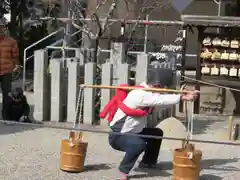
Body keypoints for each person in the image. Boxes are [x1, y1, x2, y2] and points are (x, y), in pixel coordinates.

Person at [101, 67, 198, 180]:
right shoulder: (140, 94)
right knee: (139, 144)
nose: (164, 89)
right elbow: (159, 100)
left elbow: (161, 99)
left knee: (156, 133)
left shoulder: (148, 93)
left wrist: (183, 94)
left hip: (133, 131)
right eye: (163, 87)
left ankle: (148, 162)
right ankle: (123, 170)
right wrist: (182, 97)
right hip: (119, 136)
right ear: (157, 85)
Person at [0, 18, 20, 119]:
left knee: (6, 95)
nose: (0, 29)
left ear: (5, 28)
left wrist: (16, 65)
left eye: (2, 27)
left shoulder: (11, 41)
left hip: (6, 71)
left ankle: (5, 115)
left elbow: (15, 55)